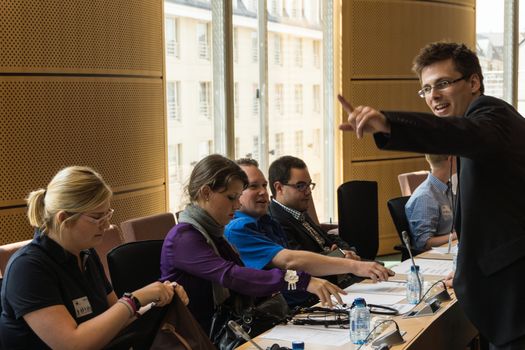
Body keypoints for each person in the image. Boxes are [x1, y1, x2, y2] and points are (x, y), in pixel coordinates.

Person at [339, 42, 525, 350]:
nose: (433, 96)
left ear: (474, 82)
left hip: (516, 303)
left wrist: (389, 124)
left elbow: (456, 132)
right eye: (426, 89)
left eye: (442, 83)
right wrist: (468, 272)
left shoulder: (492, 117)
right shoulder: (482, 126)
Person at [0, 166, 188, 350]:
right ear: (63, 218)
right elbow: (72, 344)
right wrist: (135, 299)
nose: (106, 226)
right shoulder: (28, 269)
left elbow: (117, 320)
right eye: (98, 217)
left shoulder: (86, 254)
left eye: (108, 214)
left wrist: (159, 300)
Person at [160, 154, 344, 334]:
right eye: (231, 197)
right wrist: (299, 280)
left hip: (224, 329)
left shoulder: (214, 232)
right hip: (199, 338)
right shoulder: (183, 238)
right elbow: (233, 276)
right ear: (206, 193)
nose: (237, 206)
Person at [225, 158, 393, 284]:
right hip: (291, 304)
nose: (262, 192)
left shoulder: (267, 220)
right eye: (253, 186)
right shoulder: (240, 227)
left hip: (309, 291)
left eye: (263, 185)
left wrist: (342, 257)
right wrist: (347, 264)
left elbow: (288, 271)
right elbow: (289, 262)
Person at [267, 155, 357, 258]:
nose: (308, 192)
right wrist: (340, 255)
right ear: (279, 188)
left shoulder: (298, 210)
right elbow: (301, 261)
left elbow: (327, 237)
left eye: (309, 185)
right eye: (300, 186)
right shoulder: (275, 221)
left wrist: (346, 251)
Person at [405, 154, 457, 250]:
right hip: (437, 257)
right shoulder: (425, 197)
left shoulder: (448, 188)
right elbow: (424, 242)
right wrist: (458, 235)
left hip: (452, 248)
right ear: (451, 159)